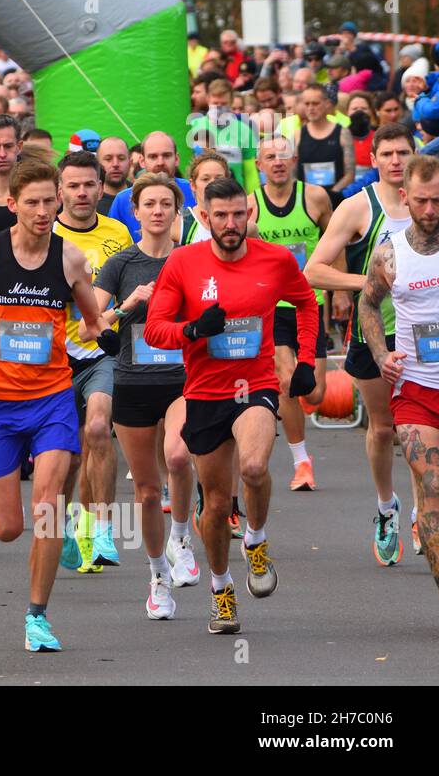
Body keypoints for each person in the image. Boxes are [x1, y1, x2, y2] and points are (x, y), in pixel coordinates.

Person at [144, 177, 318, 634]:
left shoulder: (276, 259)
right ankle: (222, 591)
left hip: (254, 385)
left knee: (256, 467)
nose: (231, 223)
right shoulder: (183, 263)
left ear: (249, 214)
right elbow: (154, 330)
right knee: (216, 506)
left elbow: (306, 304)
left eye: (239, 214)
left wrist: (306, 359)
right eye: (220, 215)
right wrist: (194, 331)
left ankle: (256, 541)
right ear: (203, 217)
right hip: (205, 392)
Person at [0, 157, 102, 651]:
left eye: (50, 201)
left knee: (47, 506)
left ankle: (36, 616)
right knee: (6, 529)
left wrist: (97, 330)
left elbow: (91, 319)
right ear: (11, 203)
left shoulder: (70, 258)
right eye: (33, 203)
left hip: (52, 399)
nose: (43, 211)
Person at [305, 122, 416, 564]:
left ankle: (424, 511)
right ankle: (387, 507)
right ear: (373, 160)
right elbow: (313, 271)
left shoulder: (431, 206)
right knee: (385, 427)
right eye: (387, 154)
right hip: (375, 331)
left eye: (403, 153)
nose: (395, 161)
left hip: (425, 333)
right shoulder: (358, 207)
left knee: (423, 428)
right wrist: (369, 284)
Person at [92, 173, 199, 618]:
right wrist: (127, 304)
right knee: (147, 492)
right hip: (133, 382)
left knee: (177, 455)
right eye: (149, 204)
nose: (157, 211)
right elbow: (89, 325)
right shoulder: (120, 264)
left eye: (166, 204)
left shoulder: (193, 259)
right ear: (135, 212)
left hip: (183, 378)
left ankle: (182, 539)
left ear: (178, 211)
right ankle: (157, 577)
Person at [360, 153, 439, 608]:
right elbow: (368, 306)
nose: (430, 211)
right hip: (416, 390)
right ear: (405, 197)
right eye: (423, 201)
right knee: (431, 490)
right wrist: (380, 354)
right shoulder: (390, 253)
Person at [53, 151, 133, 573]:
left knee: (99, 429)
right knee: (67, 454)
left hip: (101, 350)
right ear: (59, 189)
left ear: (101, 188)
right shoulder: (44, 233)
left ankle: (102, 528)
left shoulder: (118, 233)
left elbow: (128, 290)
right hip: (54, 356)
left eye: (89, 185)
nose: (82, 193)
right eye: (73, 185)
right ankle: (70, 524)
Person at [251, 137, 332, 491]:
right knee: (285, 380)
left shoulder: (315, 198)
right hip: (272, 307)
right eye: (270, 157)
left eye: (283, 156)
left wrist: (338, 291)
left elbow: (334, 241)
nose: (277, 162)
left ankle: (301, 399)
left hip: (309, 303)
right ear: (259, 165)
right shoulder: (251, 206)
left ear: (295, 159)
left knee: (313, 393)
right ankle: (302, 462)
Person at [107, 131, 195, 242]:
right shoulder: (123, 200)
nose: (160, 162)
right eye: (153, 157)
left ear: (176, 159)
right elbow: (112, 244)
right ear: (142, 161)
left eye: (166, 155)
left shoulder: (194, 192)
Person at [95, 137, 131, 217]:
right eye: (108, 159)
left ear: (130, 162)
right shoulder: (90, 201)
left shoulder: (141, 194)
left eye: (121, 158)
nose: (115, 164)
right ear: (98, 163)